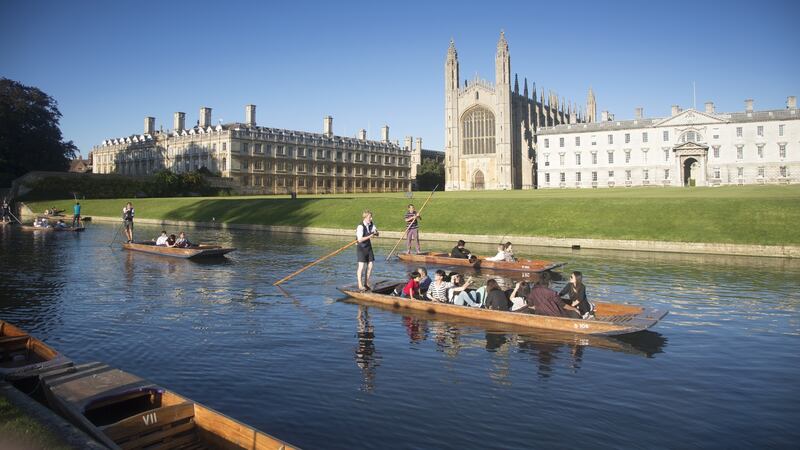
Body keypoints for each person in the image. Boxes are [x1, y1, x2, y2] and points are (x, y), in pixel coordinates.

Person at [356, 210, 379, 291]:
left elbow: (376, 232)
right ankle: (360, 284)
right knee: (361, 266)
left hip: (368, 247)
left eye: (371, 217)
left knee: (370, 265)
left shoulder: (371, 224)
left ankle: (366, 282)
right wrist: (369, 236)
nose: (371, 218)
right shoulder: (360, 226)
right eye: (370, 217)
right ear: (365, 217)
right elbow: (360, 240)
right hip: (361, 247)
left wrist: (376, 233)